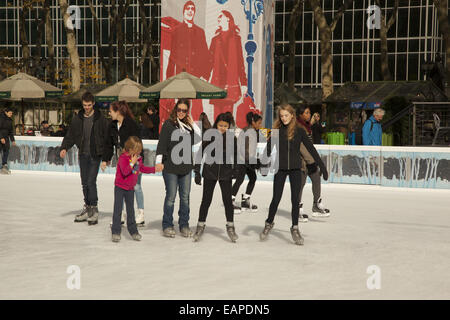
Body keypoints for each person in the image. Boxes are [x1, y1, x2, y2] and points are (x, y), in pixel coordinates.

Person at [260, 104, 328, 245]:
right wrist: (263, 164)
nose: (284, 118)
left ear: (292, 115)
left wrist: (322, 166)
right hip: (281, 168)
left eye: (286, 115)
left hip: (296, 169)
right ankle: (268, 223)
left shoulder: (299, 131)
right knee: (276, 199)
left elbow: (311, 149)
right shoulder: (276, 131)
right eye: (281, 116)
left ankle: (295, 228)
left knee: (295, 200)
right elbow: (267, 149)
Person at [60, 92, 109, 225]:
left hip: (95, 154)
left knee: (91, 181)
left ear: (93, 104)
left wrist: (106, 156)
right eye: (84, 105)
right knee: (84, 182)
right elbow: (70, 135)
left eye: (89, 105)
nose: (86, 107)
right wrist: (64, 147)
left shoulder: (100, 118)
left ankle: (94, 208)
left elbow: (106, 138)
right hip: (83, 154)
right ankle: (87, 207)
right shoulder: (78, 118)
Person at [156, 99, 201, 238]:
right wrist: (159, 161)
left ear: (187, 112)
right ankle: (167, 224)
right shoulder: (169, 125)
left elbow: (199, 137)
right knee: (171, 197)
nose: (181, 113)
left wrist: (193, 123)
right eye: (179, 110)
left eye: (184, 110)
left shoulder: (188, 127)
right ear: (175, 109)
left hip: (186, 168)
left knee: (185, 198)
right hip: (170, 168)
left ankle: (184, 225)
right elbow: (162, 144)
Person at [193, 112, 238, 242]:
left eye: (225, 126)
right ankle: (200, 225)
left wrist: (235, 169)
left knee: (228, 202)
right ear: (216, 124)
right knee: (206, 201)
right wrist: (197, 171)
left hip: (225, 174)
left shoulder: (231, 138)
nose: (222, 128)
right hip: (210, 172)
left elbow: (236, 156)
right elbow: (200, 153)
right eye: (220, 125)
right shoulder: (210, 136)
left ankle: (230, 226)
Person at [102, 101, 147, 227]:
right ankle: (120, 214)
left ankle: (141, 214)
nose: (109, 113)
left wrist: (134, 161)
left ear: (118, 111)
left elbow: (138, 144)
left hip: (134, 160)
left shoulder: (131, 125)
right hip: (121, 161)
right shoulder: (112, 125)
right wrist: (105, 159)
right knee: (120, 186)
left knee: (136, 185)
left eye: (111, 111)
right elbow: (108, 144)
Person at [165, 1, 211, 121]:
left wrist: (205, 76)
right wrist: (169, 79)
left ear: (194, 12)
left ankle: (197, 133)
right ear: (183, 12)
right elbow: (172, 56)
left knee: (197, 110)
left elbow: (206, 56)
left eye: (192, 9)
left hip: (196, 78)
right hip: (181, 77)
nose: (190, 11)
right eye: (188, 8)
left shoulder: (200, 32)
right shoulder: (176, 30)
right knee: (182, 108)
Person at [111, 136, 162, 242]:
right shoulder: (123, 158)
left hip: (130, 189)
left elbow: (142, 168)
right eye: (137, 150)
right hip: (120, 187)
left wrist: (154, 169)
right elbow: (125, 171)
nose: (139, 153)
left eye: (140, 150)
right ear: (130, 149)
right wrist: (132, 163)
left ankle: (133, 231)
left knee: (131, 211)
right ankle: (116, 231)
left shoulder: (138, 158)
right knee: (117, 210)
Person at [209, 10, 247, 119]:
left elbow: (240, 62)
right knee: (217, 116)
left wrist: (244, 82)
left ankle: (227, 136)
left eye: (221, 16)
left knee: (227, 116)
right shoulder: (215, 40)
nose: (218, 18)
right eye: (218, 17)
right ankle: (216, 136)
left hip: (230, 82)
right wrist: (204, 77)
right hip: (217, 82)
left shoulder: (236, 39)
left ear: (228, 19)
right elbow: (209, 62)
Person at [296, 105, 331, 222]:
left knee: (316, 179)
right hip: (301, 160)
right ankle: (297, 209)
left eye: (309, 113)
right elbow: (301, 146)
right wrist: (310, 160)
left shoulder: (307, 126)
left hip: (310, 159)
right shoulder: (297, 126)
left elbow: (310, 146)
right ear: (300, 115)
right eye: (306, 113)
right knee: (300, 184)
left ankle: (316, 204)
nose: (309, 115)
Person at [231, 111, 262, 213]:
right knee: (239, 180)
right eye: (258, 123)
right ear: (253, 122)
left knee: (253, 178)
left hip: (248, 160)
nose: (260, 125)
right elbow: (243, 148)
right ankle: (230, 201)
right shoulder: (248, 132)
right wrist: (251, 160)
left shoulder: (252, 131)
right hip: (243, 160)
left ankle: (245, 201)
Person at [0, 107, 16, 175]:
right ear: (6, 112)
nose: (11, 114)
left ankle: (4, 165)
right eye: (10, 113)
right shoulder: (1, 118)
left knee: (6, 151)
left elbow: (10, 131)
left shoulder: (10, 120)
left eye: (11, 113)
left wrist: (12, 140)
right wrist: (1, 138)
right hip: (0, 137)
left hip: (6, 138)